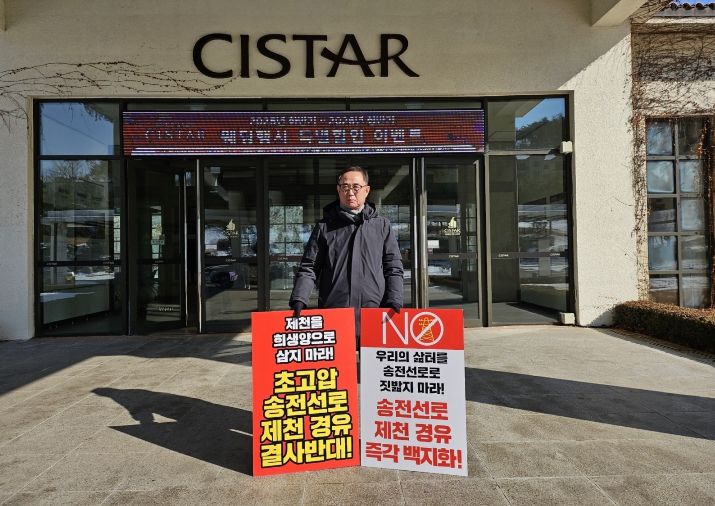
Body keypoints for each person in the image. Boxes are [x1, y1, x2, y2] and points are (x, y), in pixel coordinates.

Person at [289, 166, 404, 338]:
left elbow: (393, 266)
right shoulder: (324, 227)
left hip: (374, 311)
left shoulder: (381, 226)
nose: (350, 192)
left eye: (356, 187)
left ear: (366, 190)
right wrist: (300, 299)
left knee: (371, 354)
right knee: (338, 355)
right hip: (335, 311)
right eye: (345, 187)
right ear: (338, 190)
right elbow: (309, 267)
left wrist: (394, 299)